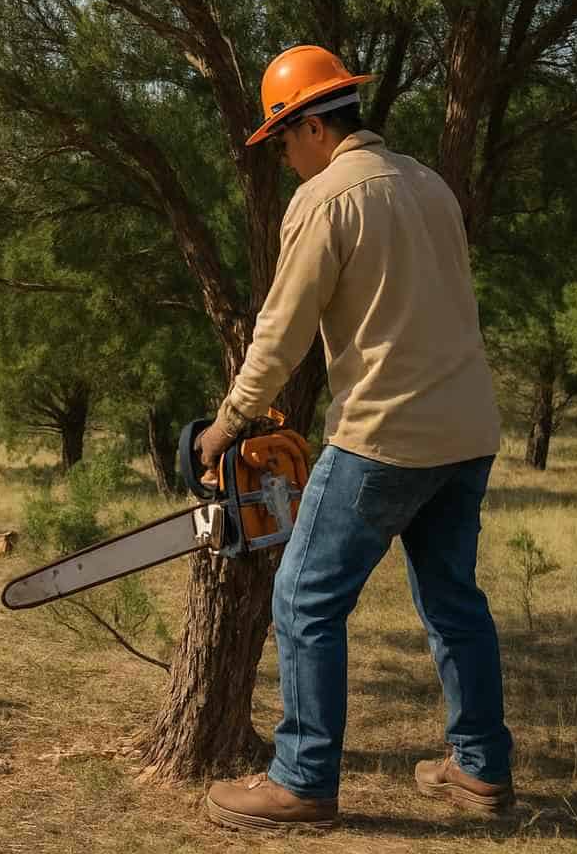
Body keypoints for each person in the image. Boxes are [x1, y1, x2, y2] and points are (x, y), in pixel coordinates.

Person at [197, 45, 515, 833]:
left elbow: (280, 334)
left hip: (385, 435)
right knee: (453, 602)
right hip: (467, 428)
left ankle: (302, 780)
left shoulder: (328, 198)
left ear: (308, 126)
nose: (284, 161)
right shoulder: (428, 183)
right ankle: (479, 768)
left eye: (282, 143)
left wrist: (226, 424)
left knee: (303, 598)